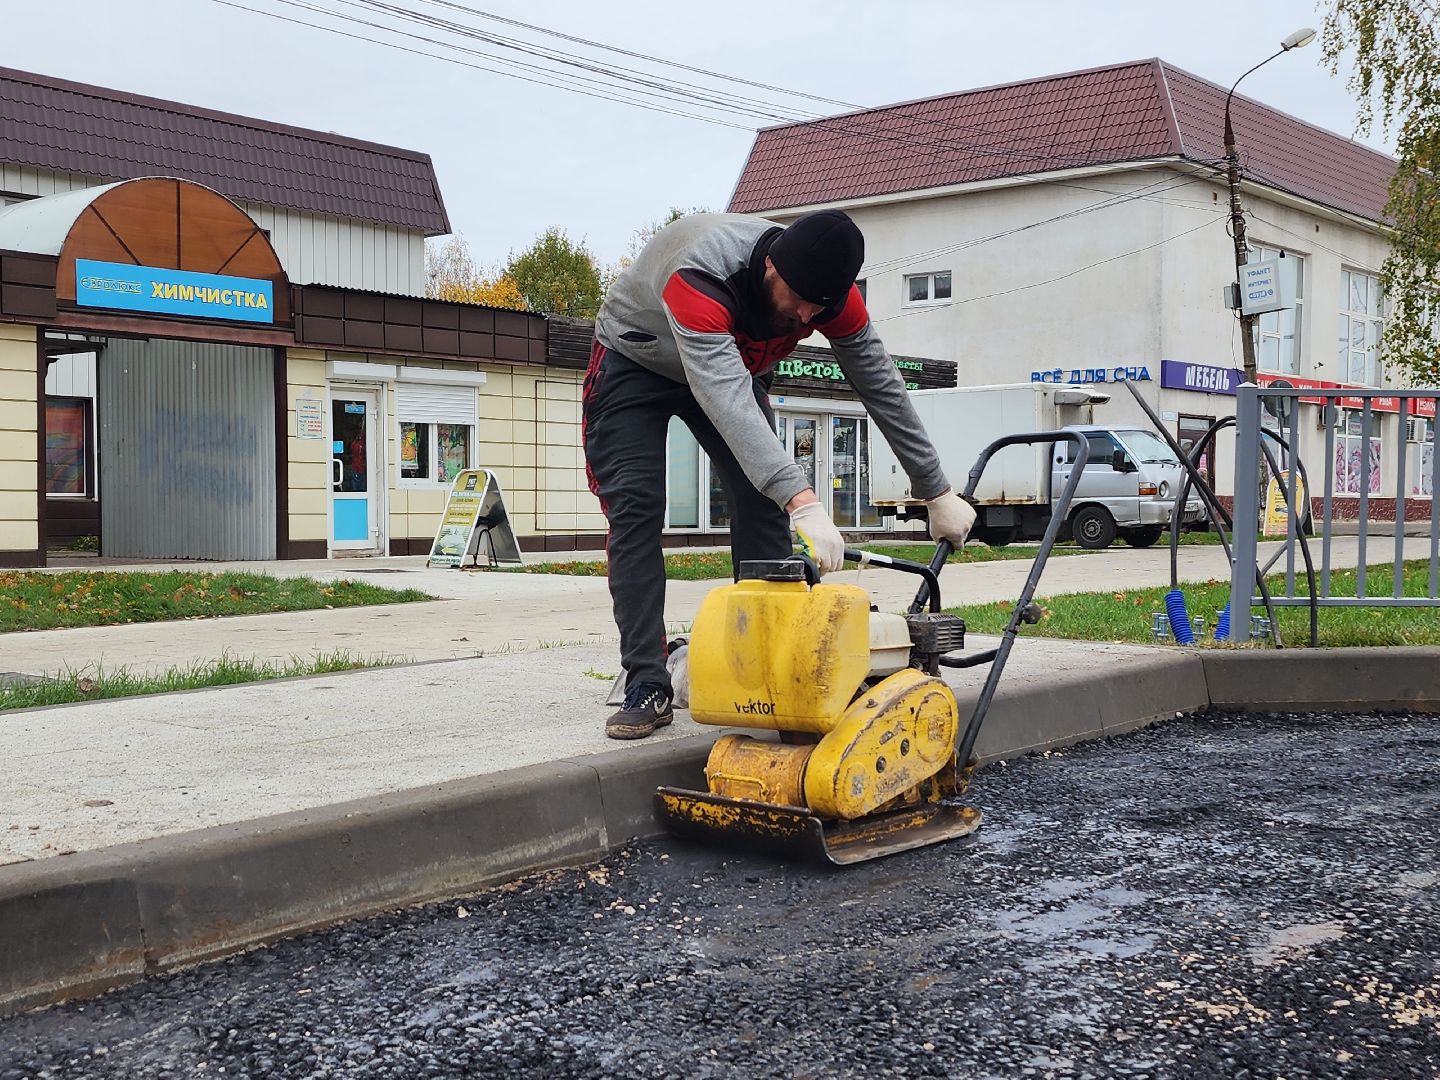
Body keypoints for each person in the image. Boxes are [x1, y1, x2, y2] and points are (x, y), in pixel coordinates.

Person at [584, 209, 975, 740]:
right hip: (638, 358)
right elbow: (725, 399)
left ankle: (759, 666)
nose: (806, 313)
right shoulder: (700, 278)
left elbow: (879, 385)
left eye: (821, 306)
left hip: (733, 367)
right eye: (797, 297)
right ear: (770, 265)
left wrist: (935, 490)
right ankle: (646, 681)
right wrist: (804, 501)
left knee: (760, 505)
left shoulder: (829, 297)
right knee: (637, 510)